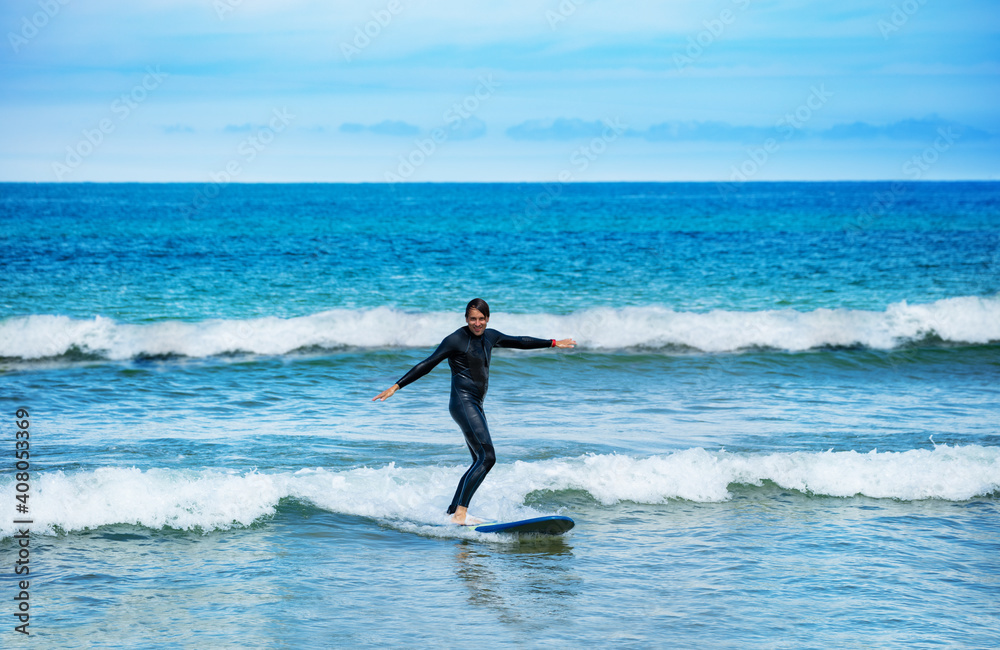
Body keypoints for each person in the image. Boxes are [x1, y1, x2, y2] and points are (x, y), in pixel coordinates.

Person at [373, 298, 576, 525]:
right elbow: (428, 363)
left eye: (481, 319)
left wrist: (553, 342)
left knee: (478, 460)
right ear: (466, 319)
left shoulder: (491, 336)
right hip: (462, 403)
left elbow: (519, 341)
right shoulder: (455, 339)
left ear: (487, 319)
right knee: (488, 457)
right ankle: (460, 514)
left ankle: (452, 512)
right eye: (472, 319)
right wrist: (396, 386)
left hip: (476, 403)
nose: (477, 324)